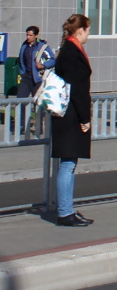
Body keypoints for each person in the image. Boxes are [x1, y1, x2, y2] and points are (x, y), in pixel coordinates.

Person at [52, 14, 93, 227]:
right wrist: (85, 118)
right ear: (80, 30)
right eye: (88, 30)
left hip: (68, 115)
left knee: (69, 163)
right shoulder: (71, 51)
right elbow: (77, 88)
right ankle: (64, 212)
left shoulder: (69, 49)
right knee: (67, 164)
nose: (89, 34)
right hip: (70, 116)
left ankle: (67, 209)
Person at [16, 25, 55, 98]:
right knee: (20, 100)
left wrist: (43, 65)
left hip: (37, 79)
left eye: (31, 35)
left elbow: (53, 60)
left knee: (37, 101)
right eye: (27, 35)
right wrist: (22, 72)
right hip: (25, 76)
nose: (28, 37)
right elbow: (21, 59)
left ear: (36, 35)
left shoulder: (42, 47)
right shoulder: (24, 46)